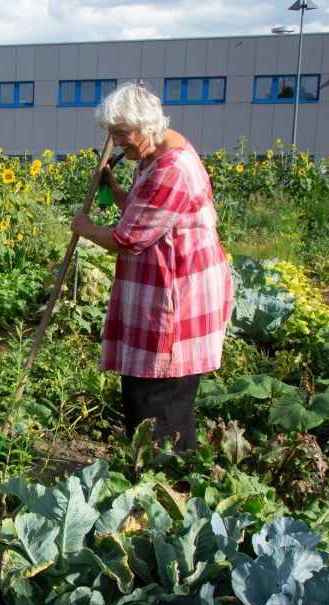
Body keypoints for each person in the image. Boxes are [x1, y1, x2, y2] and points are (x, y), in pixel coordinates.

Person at [71, 83, 233, 451]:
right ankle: (167, 479)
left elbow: (129, 239)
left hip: (175, 302)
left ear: (146, 126)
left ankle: (164, 485)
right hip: (162, 292)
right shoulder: (154, 154)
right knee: (153, 399)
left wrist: (85, 229)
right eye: (111, 135)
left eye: (121, 135)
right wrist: (114, 188)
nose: (117, 144)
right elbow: (148, 213)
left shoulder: (171, 168)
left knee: (158, 402)